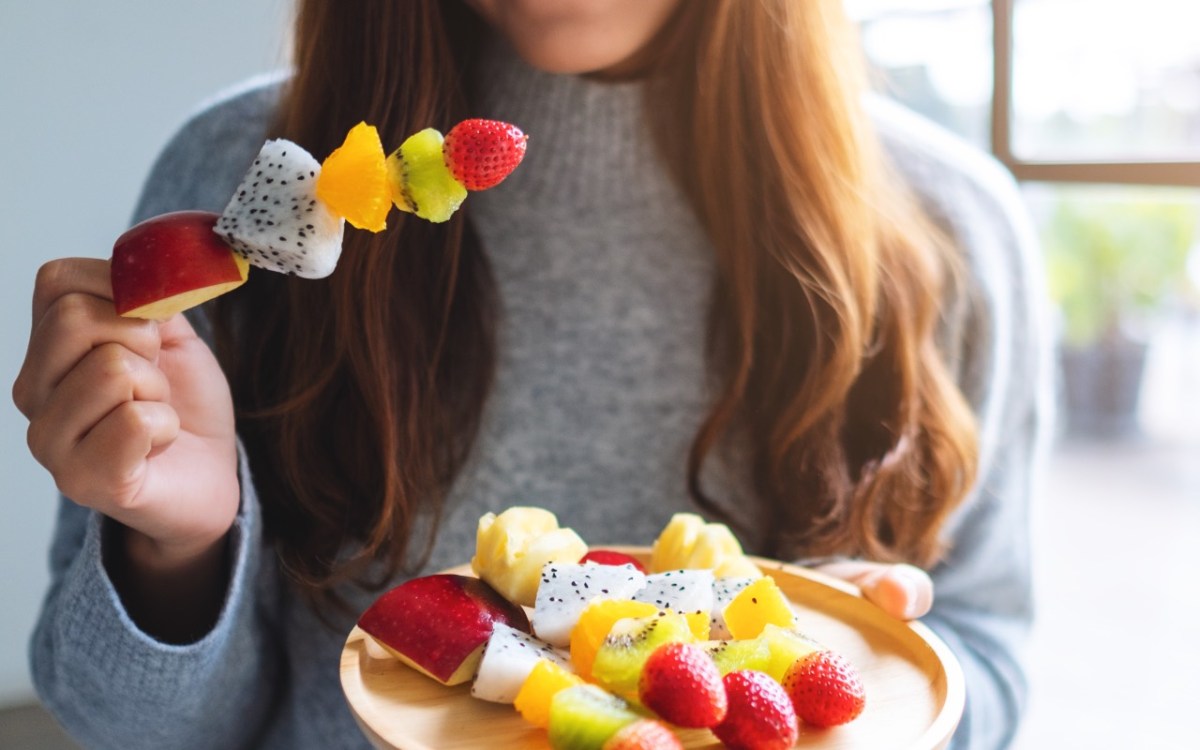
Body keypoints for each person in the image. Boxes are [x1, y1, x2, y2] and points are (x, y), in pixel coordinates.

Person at [13, 1, 1050, 748]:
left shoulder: (948, 225)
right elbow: (114, 723)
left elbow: (990, 661)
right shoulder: (236, 164)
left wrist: (864, 672)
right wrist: (178, 547)